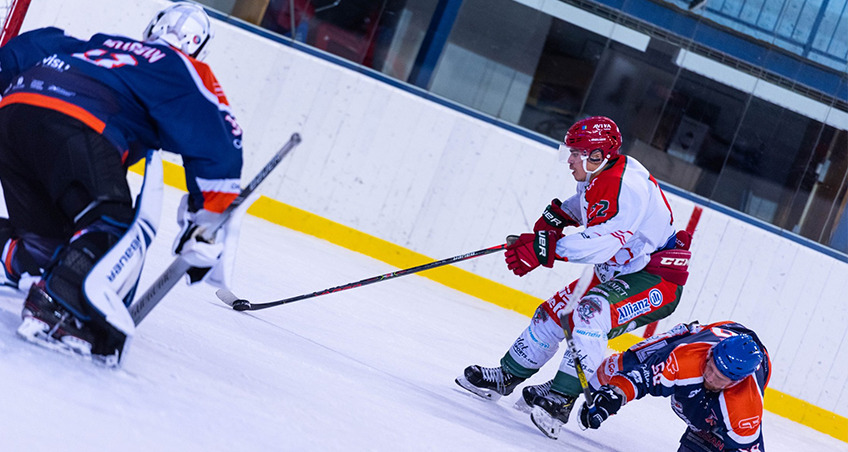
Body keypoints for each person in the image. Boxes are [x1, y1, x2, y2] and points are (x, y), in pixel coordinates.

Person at [0, 2, 244, 366]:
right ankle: (59, 308)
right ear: (199, 48)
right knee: (111, 225)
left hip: (15, 114)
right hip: (76, 122)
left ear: (152, 29)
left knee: (56, 245)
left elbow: (32, 48)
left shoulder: (102, 44)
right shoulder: (183, 68)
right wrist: (209, 217)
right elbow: (215, 135)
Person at [455, 116, 693, 439]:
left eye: (575, 152)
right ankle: (506, 376)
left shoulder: (629, 188)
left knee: (588, 314)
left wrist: (545, 248)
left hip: (655, 279)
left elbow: (603, 243)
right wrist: (560, 216)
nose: (569, 159)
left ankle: (561, 399)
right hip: (618, 269)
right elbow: (588, 206)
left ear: (596, 155)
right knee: (552, 313)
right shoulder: (601, 171)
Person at [579, 321, 769, 452]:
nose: (709, 376)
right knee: (624, 364)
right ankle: (565, 396)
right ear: (711, 354)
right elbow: (642, 378)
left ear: (734, 383)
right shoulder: (686, 358)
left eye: (719, 377)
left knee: (704, 435)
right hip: (698, 335)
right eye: (710, 366)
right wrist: (612, 397)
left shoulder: (746, 406)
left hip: (737, 395)